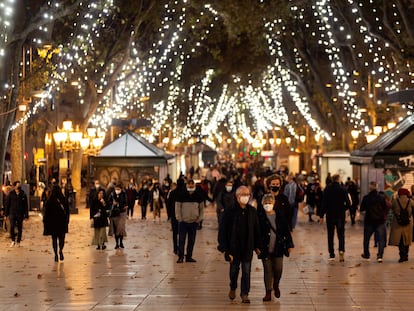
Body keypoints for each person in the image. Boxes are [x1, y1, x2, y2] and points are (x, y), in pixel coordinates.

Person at [218, 186, 261, 304]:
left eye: (248, 194)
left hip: (247, 247)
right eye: (244, 194)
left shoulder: (252, 211)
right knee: (234, 271)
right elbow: (223, 230)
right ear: (238, 196)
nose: (246, 197)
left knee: (246, 271)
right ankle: (233, 287)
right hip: (234, 248)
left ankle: (245, 294)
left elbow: (256, 229)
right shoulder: (229, 211)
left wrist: (257, 246)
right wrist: (225, 249)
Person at [258, 186, 293, 301]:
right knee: (267, 270)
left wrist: (289, 244)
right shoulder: (260, 217)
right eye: (266, 202)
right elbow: (256, 233)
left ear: (274, 203)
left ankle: (276, 285)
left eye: (270, 202)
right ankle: (268, 292)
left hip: (278, 247)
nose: (268, 204)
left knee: (278, 269)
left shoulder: (279, 216)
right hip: (265, 248)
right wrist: (256, 247)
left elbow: (286, 231)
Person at [319, 174, 351, 262]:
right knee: (341, 234)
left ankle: (331, 254)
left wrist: (321, 215)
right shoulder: (343, 189)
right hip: (340, 216)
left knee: (330, 234)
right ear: (338, 179)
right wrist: (343, 209)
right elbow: (348, 203)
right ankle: (341, 250)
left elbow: (324, 203)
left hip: (330, 215)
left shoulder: (327, 189)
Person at [175, 179, 204, 263]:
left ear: (194, 186)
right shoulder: (181, 195)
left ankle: (189, 256)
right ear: (186, 185)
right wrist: (179, 218)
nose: (190, 186)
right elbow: (177, 207)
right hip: (183, 222)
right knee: (181, 240)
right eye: (189, 184)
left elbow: (201, 209)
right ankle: (180, 256)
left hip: (193, 222)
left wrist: (199, 219)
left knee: (191, 241)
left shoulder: (198, 196)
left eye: (192, 185)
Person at [360, 181, 388, 262]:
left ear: (370, 188)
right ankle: (380, 256)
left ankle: (367, 254)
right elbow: (384, 207)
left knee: (366, 239)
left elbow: (362, 209)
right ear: (377, 187)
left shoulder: (366, 198)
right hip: (379, 221)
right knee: (381, 239)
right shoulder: (381, 198)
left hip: (369, 221)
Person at [43, 184, 69, 261]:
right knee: (62, 239)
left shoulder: (49, 201)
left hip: (53, 223)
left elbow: (46, 213)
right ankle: (61, 249)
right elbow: (67, 212)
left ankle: (55, 254)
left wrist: (46, 223)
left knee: (54, 239)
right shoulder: (63, 200)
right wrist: (67, 221)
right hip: (61, 223)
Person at [389, 188, 413, 263]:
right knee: (407, 240)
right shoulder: (410, 201)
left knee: (400, 240)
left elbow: (391, 207)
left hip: (397, 223)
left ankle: (401, 256)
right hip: (408, 223)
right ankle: (406, 255)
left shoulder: (395, 201)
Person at [4, 181, 29, 247]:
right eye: (17, 185)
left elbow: (25, 205)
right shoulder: (11, 194)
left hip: (20, 214)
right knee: (12, 227)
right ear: (14, 186)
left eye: (19, 185)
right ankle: (13, 240)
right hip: (12, 213)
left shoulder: (23, 194)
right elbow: (7, 204)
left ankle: (18, 241)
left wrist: (26, 215)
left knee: (20, 228)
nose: (19, 186)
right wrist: (6, 214)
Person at [108, 184, 128, 249]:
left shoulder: (124, 194)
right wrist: (112, 203)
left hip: (122, 212)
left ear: (121, 189)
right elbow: (108, 202)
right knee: (116, 229)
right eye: (116, 189)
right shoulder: (112, 194)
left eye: (118, 189)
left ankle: (121, 242)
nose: (117, 190)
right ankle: (117, 243)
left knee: (121, 228)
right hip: (114, 213)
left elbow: (126, 202)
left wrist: (125, 205)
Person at [166, 181, 180, 254]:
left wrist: (169, 215)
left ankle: (176, 248)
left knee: (175, 232)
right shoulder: (173, 193)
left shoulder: (171, 193)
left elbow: (168, 205)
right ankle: (178, 247)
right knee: (178, 232)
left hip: (174, 215)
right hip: (177, 215)